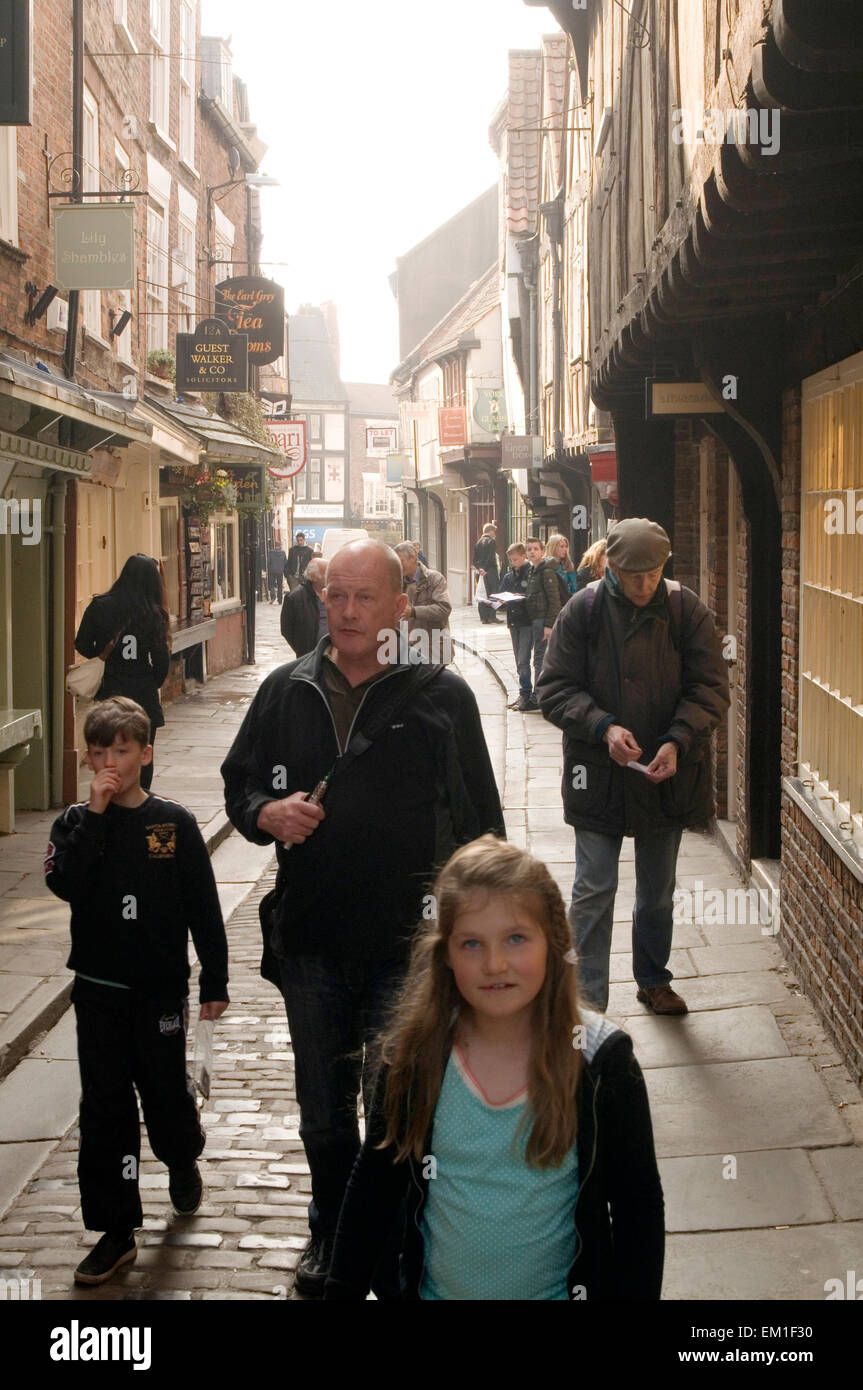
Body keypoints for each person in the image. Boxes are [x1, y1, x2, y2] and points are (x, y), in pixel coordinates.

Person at [221, 540, 504, 1297]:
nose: (344, 613)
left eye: (362, 598)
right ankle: (330, 1234)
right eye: (333, 598)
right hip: (311, 940)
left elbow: (483, 825)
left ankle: (391, 1243)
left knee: (394, 1113)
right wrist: (265, 812)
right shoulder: (285, 691)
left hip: (407, 948)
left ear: (399, 606)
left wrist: (482, 940)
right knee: (321, 1112)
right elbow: (238, 787)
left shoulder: (443, 697)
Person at [324, 835, 664, 1301]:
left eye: (517, 938)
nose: (495, 963)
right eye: (471, 944)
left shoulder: (601, 1062)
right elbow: (374, 1186)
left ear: (555, 943)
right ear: (445, 955)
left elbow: (637, 1209)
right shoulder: (417, 1056)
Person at [44, 696, 229, 1286]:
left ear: (145, 754)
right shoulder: (74, 824)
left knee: (163, 1097)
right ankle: (115, 1228)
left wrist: (215, 979)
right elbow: (68, 884)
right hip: (98, 990)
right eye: (98, 753)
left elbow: (204, 906)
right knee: (104, 1107)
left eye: (121, 750)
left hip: (157, 991)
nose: (109, 763)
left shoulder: (172, 824)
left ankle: (182, 1156)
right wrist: (95, 816)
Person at [537, 518, 730, 1015]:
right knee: (593, 887)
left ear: (665, 566)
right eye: (630, 574)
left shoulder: (687, 610)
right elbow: (554, 688)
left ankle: (652, 978)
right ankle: (586, 1001)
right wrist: (602, 727)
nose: (643, 585)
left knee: (657, 892)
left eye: (652, 574)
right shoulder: (583, 609)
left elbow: (710, 690)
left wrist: (679, 740)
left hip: (666, 774)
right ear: (610, 566)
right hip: (597, 775)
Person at [74, 554, 171, 792]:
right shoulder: (154, 613)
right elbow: (161, 660)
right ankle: (141, 799)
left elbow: (82, 644)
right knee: (143, 753)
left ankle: (109, 795)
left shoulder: (99, 606)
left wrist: (104, 657)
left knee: (108, 749)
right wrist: (151, 682)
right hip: (143, 693)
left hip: (110, 690)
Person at [394, 541, 452, 663]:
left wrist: (414, 611)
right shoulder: (396, 583)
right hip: (408, 650)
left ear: (413, 558)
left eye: (401, 561)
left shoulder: (434, 579)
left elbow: (444, 608)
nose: (398, 565)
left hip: (434, 648)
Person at [523, 535, 562, 708]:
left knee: (540, 658)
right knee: (539, 657)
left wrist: (548, 625)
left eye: (535, 549)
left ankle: (538, 696)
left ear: (542, 551)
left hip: (542, 620)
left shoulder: (546, 571)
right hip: (535, 619)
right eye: (529, 549)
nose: (532, 552)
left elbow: (554, 601)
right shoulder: (533, 570)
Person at [499, 542, 534, 711]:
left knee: (523, 659)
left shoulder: (530, 573)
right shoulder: (508, 577)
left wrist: (522, 597)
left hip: (527, 621)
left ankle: (526, 692)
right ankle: (523, 692)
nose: (513, 563)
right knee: (518, 659)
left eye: (515, 560)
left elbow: (533, 596)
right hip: (513, 621)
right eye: (510, 560)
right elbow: (502, 595)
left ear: (523, 557)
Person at [280, 557, 328, 657]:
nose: (331, 577)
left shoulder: (335, 594)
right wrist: (303, 650)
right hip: (309, 656)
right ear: (314, 577)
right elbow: (287, 629)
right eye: (327, 574)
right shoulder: (295, 598)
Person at [473, 522, 502, 624]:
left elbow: (474, 560)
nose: (495, 534)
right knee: (493, 594)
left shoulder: (478, 542)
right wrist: (485, 569)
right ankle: (491, 616)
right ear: (490, 531)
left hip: (480, 573)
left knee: (482, 594)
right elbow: (490, 557)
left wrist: (480, 569)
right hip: (491, 571)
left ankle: (483, 617)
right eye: (494, 531)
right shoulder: (491, 542)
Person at [546, 534, 579, 598]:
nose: (565, 549)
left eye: (566, 546)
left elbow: (574, 588)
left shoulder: (568, 565)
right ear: (553, 547)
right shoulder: (544, 565)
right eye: (561, 546)